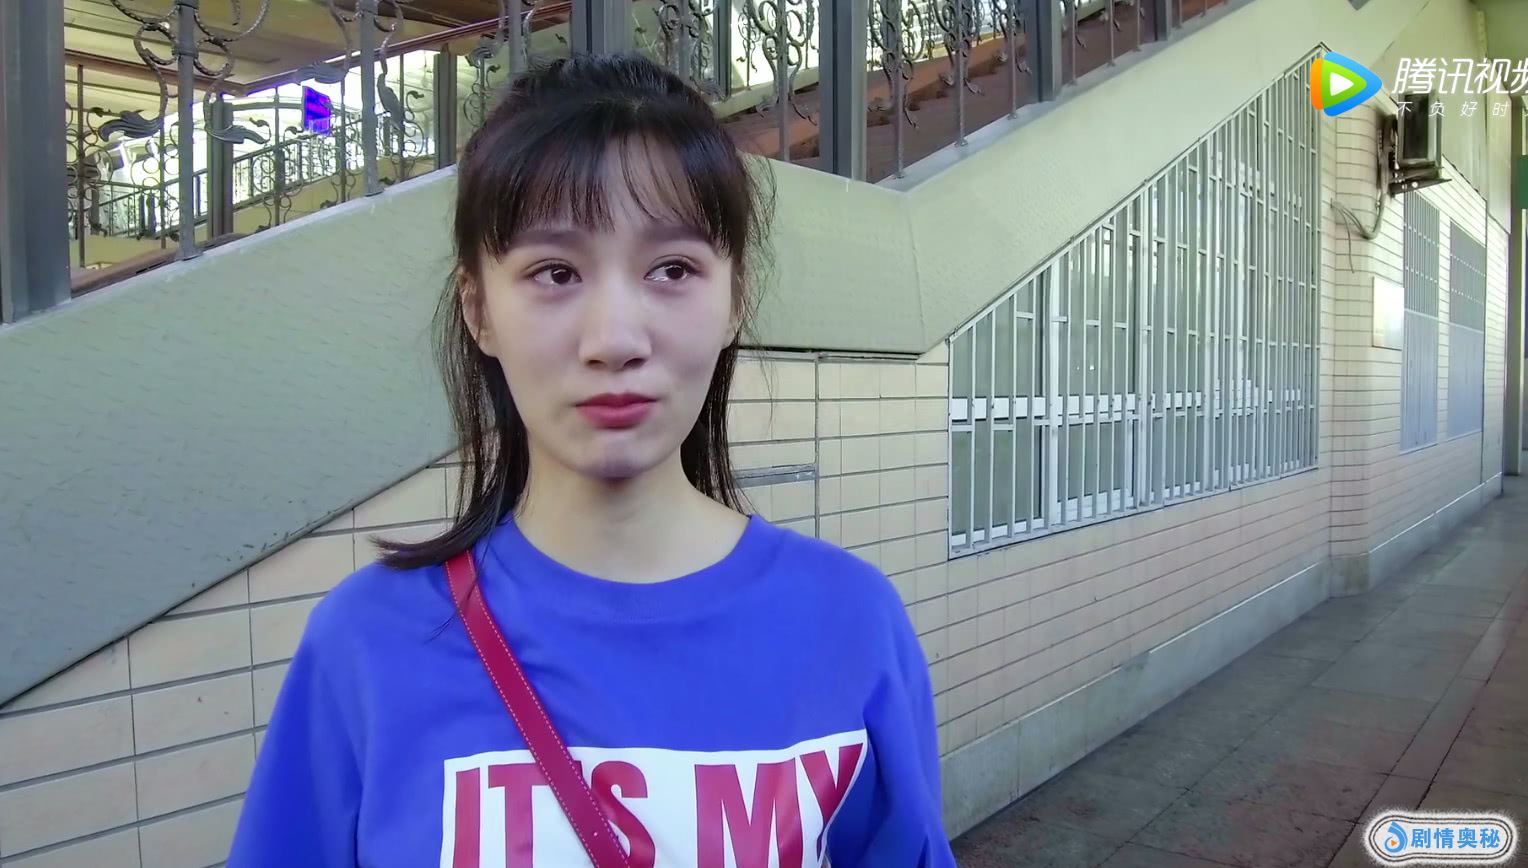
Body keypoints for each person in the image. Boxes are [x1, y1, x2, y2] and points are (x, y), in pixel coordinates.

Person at [229, 52, 956, 868]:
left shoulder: (850, 621)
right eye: (555, 272)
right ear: (479, 309)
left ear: (734, 300)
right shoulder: (366, 644)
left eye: (672, 269)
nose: (614, 339)